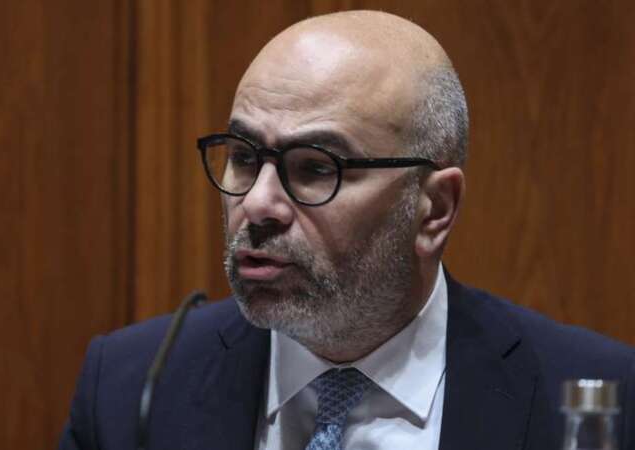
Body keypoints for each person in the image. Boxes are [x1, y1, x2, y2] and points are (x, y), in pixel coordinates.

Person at [59, 10, 635, 450]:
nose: (257, 204)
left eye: (316, 168)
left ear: (434, 208)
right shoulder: (131, 390)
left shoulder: (599, 397)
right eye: (243, 157)